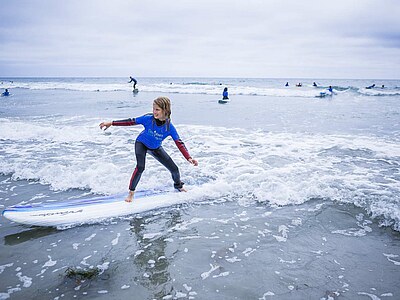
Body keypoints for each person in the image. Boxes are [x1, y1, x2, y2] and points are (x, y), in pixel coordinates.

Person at [99, 96, 198, 203]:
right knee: (140, 167)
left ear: (165, 110)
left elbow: (179, 143)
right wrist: (112, 123)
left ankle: (178, 186)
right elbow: (130, 121)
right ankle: (131, 193)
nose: (154, 112)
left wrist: (189, 158)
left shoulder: (169, 127)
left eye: (157, 109)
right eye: (153, 109)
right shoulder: (148, 119)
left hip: (155, 148)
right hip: (141, 143)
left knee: (174, 169)